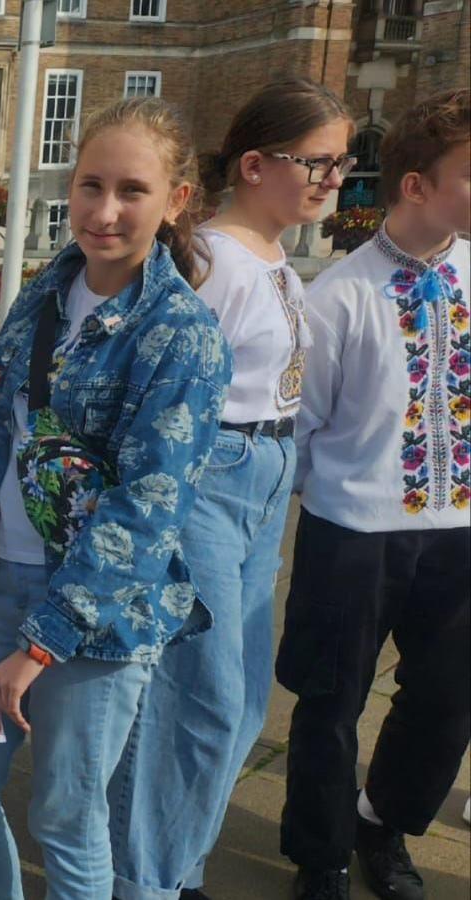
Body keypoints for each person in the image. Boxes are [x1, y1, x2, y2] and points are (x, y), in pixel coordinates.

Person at [0, 97, 231, 900]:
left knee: (67, 818)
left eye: (132, 190)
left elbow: (149, 509)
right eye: (90, 185)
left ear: (177, 200)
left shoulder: (181, 333)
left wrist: (41, 643)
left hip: (93, 619)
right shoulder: (41, 295)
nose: (104, 211)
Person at [108, 78, 354, 900]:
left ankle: (177, 865)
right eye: (316, 162)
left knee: (243, 703)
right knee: (195, 700)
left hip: (261, 477)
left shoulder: (274, 258)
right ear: (253, 164)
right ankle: (142, 877)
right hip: (210, 476)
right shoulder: (211, 262)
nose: (333, 180)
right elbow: (161, 386)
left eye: (341, 164)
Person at [279, 87, 469, 900]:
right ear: (417, 185)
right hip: (352, 531)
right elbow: (301, 426)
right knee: (329, 702)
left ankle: (381, 824)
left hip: (461, 530)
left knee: (447, 699)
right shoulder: (339, 297)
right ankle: (319, 855)